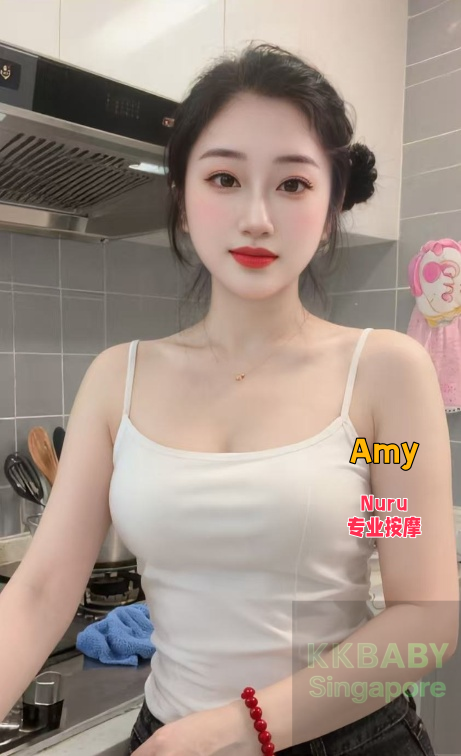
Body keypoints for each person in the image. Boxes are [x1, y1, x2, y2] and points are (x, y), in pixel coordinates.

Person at [0, 42, 458, 756]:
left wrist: (240, 728)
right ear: (182, 200)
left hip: (348, 741)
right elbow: (40, 591)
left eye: (293, 183)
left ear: (331, 207)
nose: (256, 217)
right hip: (170, 735)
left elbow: (424, 614)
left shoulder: (382, 377)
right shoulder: (117, 381)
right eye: (223, 178)